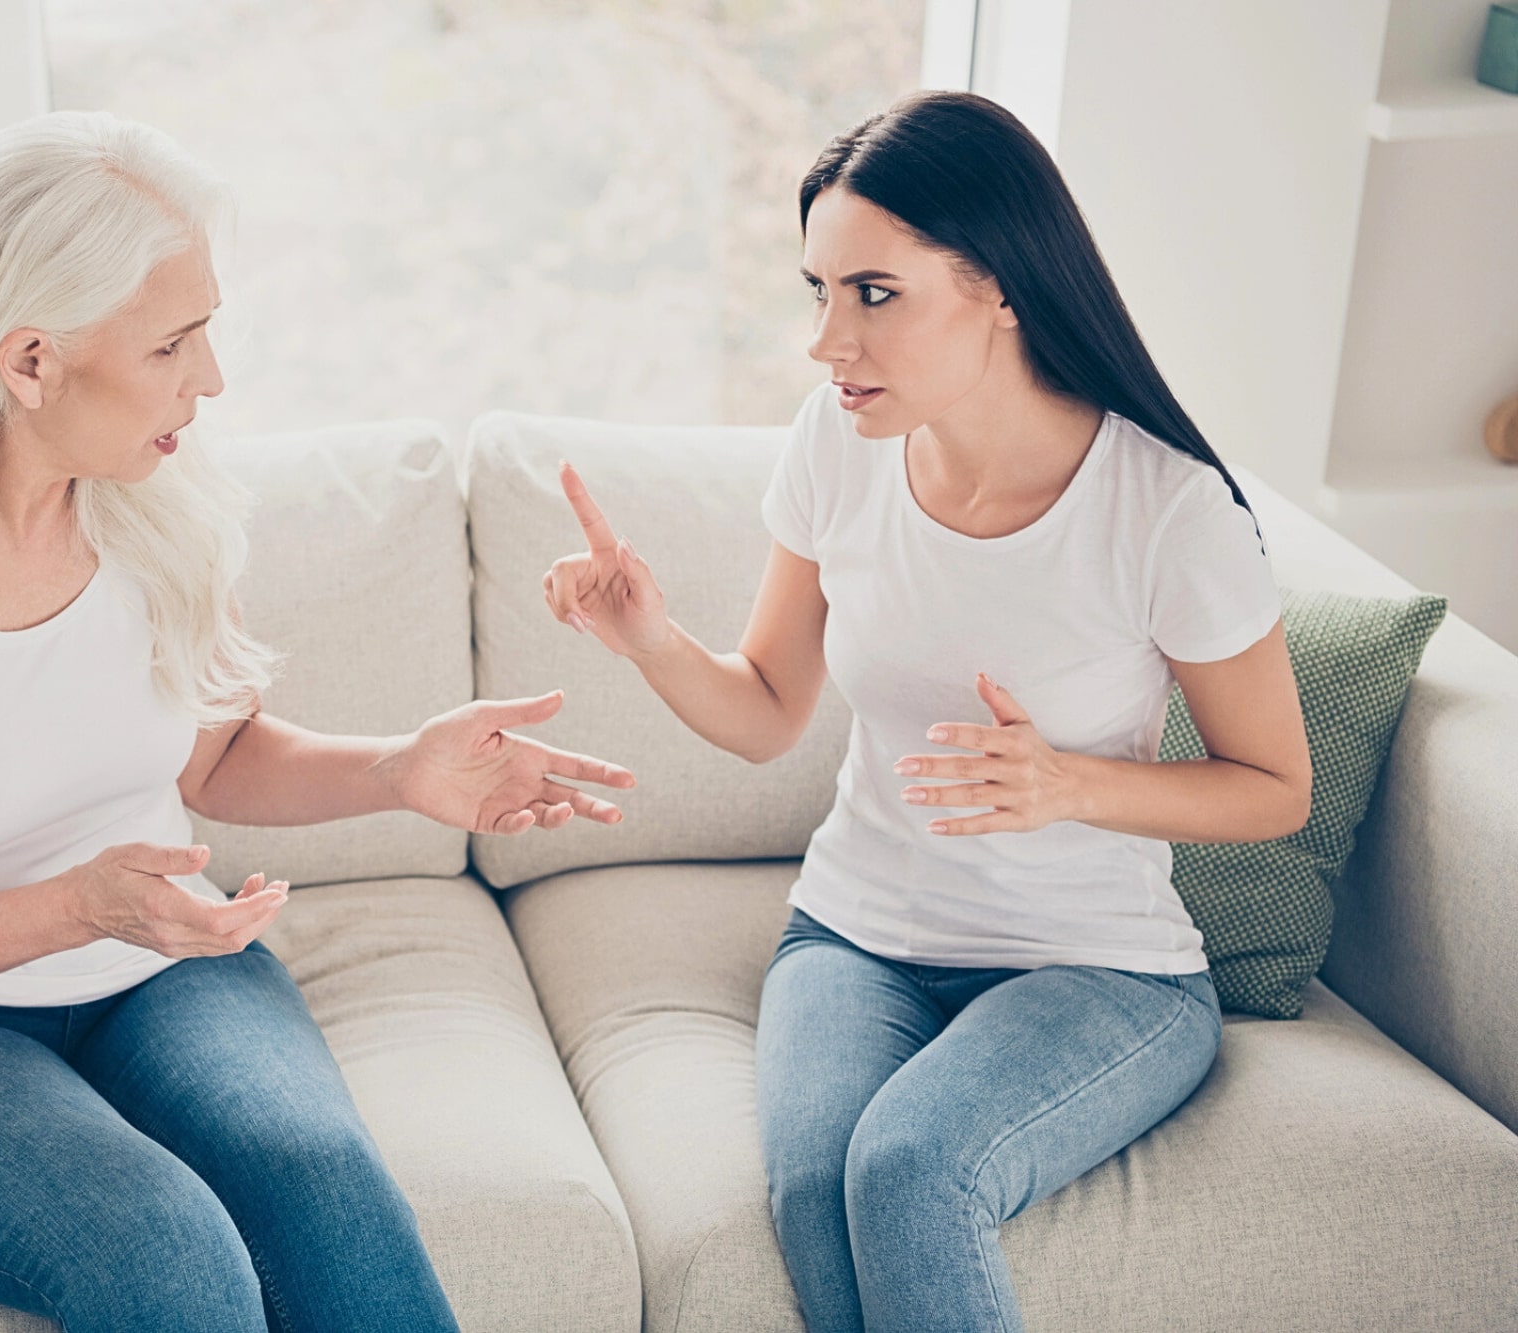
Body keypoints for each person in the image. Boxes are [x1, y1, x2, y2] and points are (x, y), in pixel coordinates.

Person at [0, 109, 635, 1333]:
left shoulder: (149, 495)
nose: (212, 380)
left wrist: (402, 768)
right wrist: (69, 906)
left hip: (153, 969)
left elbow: (219, 755)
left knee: (329, 1200)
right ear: (30, 361)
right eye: (172, 344)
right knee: (164, 1253)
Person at [541, 90, 1310, 1332]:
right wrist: (644, 638)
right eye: (818, 291)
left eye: (873, 294)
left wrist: (1071, 784)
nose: (824, 341)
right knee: (812, 1183)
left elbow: (1276, 787)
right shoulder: (836, 445)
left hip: (1099, 970)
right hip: (854, 940)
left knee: (905, 1168)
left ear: (998, 285)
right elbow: (765, 710)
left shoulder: (1165, 511)